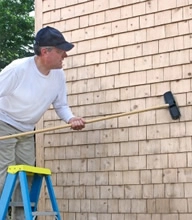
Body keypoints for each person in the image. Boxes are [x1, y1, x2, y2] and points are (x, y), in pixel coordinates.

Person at [0, 26, 85, 219]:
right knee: (3, 180)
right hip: (3, 123)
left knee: (26, 181)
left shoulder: (58, 76)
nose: (65, 55)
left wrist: (71, 118)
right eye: (61, 50)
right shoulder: (18, 69)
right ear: (45, 51)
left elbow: (61, 105)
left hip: (27, 130)